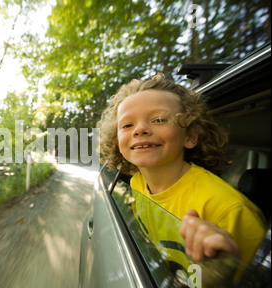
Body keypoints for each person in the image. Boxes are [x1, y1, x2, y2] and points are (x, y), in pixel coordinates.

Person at [98, 73, 267, 265]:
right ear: (117, 140)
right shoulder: (137, 183)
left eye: (160, 119)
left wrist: (220, 278)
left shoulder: (230, 210)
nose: (140, 129)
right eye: (127, 125)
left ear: (190, 137)